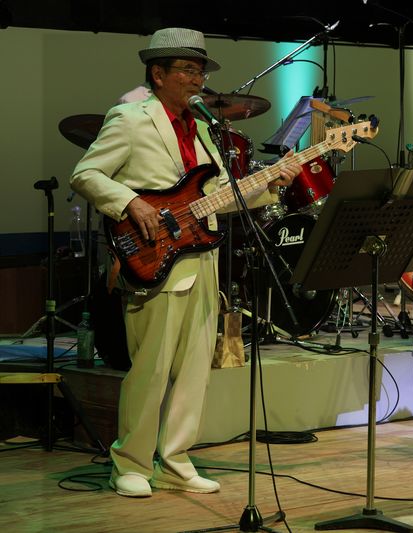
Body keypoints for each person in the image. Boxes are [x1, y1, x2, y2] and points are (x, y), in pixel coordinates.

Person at [70, 27, 300, 498]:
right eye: (189, 70)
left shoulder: (203, 129)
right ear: (158, 74)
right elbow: (86, 173)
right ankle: (131, 462)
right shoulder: (130, 119)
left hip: (202, 259)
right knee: (150, 369)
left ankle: (176, 460)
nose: (198, 79)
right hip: (154, 257)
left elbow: (219, 197)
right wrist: (130, 202)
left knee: (194, 371)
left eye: (201, 71)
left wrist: (272, 183)